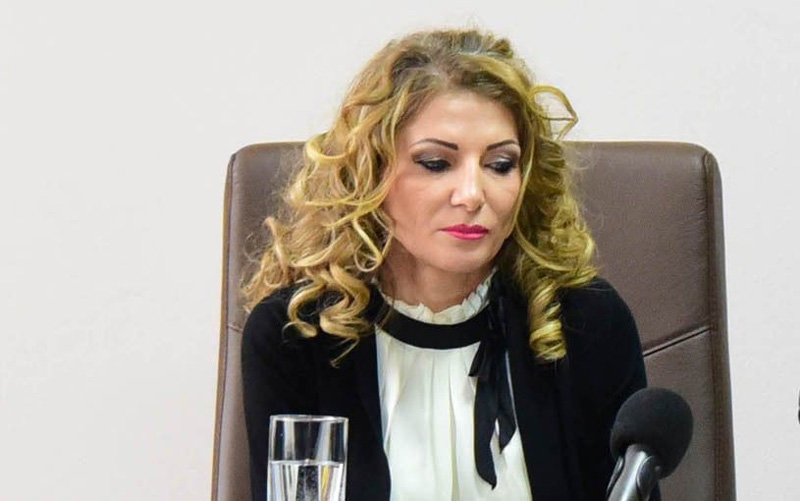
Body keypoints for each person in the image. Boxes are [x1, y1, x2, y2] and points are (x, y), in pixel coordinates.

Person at [240, 28, 655, 501]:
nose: (473, 195)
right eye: (436, 163)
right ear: (371, 172)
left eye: (500, 165)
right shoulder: (297, 335)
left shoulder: (584, 324)